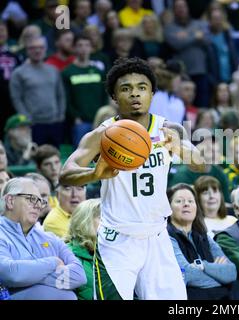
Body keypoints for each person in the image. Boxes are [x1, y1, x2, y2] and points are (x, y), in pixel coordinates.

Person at [59, 57, 205, 300]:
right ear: (115, 97)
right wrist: (94, 174)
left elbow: (200, 165)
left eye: (142, 87)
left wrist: (180, 148)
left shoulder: (169, 129)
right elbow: (66, 174)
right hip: (118, 240)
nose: (135, 94)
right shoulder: (102, 134)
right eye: (126, 89)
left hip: (158, 236)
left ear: (152, 93)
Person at [0, 177, 86, 300]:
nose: (38, 206)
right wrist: (53, 263)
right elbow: (11, 274)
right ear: (10, 201)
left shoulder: (50, 238)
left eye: (40, 201)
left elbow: (79, 275)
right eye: (31, 199)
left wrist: (29, 276)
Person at [167, 183, 236, 300]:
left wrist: (203, 266)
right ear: (169, 208)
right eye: (179, 201)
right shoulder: (167, 237)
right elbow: (187, 274)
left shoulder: (204, 236)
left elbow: (231, 272)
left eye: (190, 201)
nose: (186, 204)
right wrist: (218, 273)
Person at [9, 36, 66, 148]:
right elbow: (16, 98)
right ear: (27, 50)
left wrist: (60, 115)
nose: (37, 50)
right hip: (33, 124)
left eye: (40, 47)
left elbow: (60, 95)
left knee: (55, 157)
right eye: (33, 48)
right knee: (36, 159)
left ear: (45, 49)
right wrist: (27, 118)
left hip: (54, 123)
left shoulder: (53, 70)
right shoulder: (18, 73)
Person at [65, 198, 101, 300]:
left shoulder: (112, 254)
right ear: (85, 221)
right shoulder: (67, 257)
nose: (108, 224)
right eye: (101, 217)